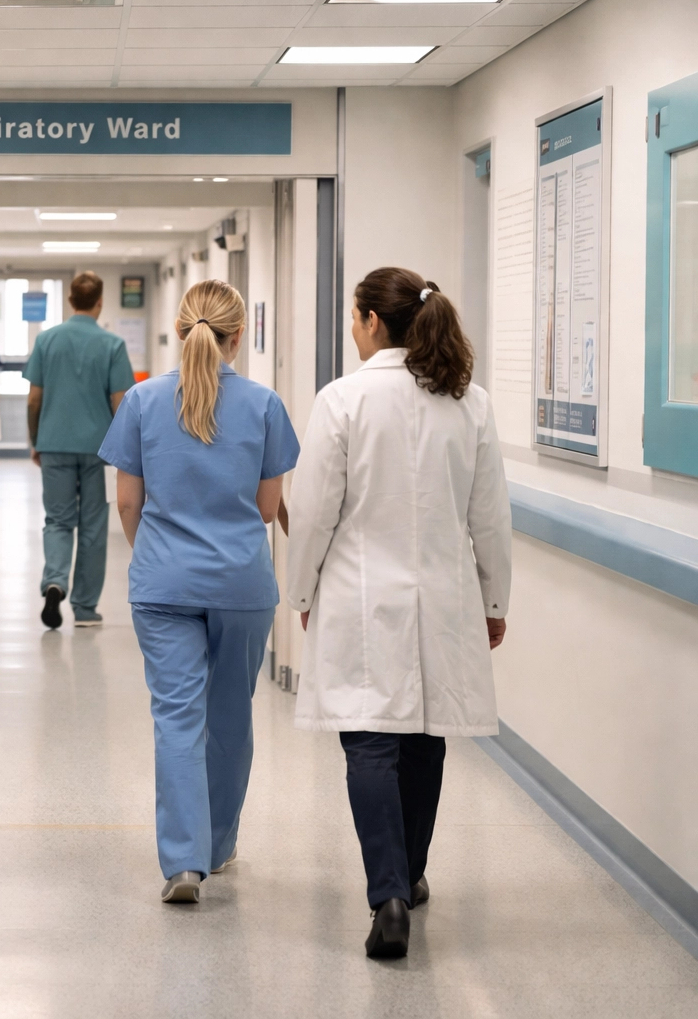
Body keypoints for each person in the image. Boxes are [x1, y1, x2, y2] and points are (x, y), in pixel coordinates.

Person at [287, 267, 512, 960]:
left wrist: (301, 593)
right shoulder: (469, 402)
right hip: (444, 599)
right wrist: (494, 601)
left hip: (360, 599)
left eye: (355, 319)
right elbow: (490, 517)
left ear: (372, 322)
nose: (354, 331)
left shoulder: (343, 399)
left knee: (370, 742)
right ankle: (409, 875)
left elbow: (314, 511)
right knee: (424, 737)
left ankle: (387, 895)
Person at [98, 279, 299, 905]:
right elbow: (266, 509)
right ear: (238, 338)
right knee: (231, 717)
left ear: (180, 331)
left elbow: (127, 502)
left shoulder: (141, 400)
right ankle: (216, 846)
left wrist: (157, 554)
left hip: (164, 583)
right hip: (241, 582)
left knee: (177, 718)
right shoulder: (264, 404)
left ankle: (183, 862)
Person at [25, 271, 135, 629]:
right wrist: (125, 452)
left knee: (57, 520)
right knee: (93, 524)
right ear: (100, 302)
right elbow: (121, 403)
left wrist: (36, 440)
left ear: (70, 301)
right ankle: (85, 607)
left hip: (54, 444)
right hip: (99, 450)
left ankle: (55, 581)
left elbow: (34, 399)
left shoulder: (46, 340)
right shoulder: (113, 345)